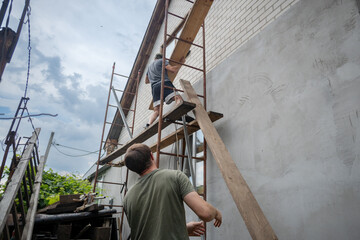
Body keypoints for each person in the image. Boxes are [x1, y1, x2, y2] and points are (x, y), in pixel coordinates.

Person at [123, 143, 222, 240]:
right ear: (151, 156)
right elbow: (206, 213)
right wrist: (216, 213)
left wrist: (184, 229)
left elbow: (147, 230)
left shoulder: (128, 198)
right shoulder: (175, 177)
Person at [145, 53, 184, 127]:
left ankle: (148, 124)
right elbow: (172, 69)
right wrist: (181, 63)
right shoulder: (162, 61)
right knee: (178, 98)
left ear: (155, 59)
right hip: (164, 83)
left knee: (157, 111)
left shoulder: (149, 67)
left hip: (154, 88)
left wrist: (155, 77)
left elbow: (146, 81)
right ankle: (179, 113)